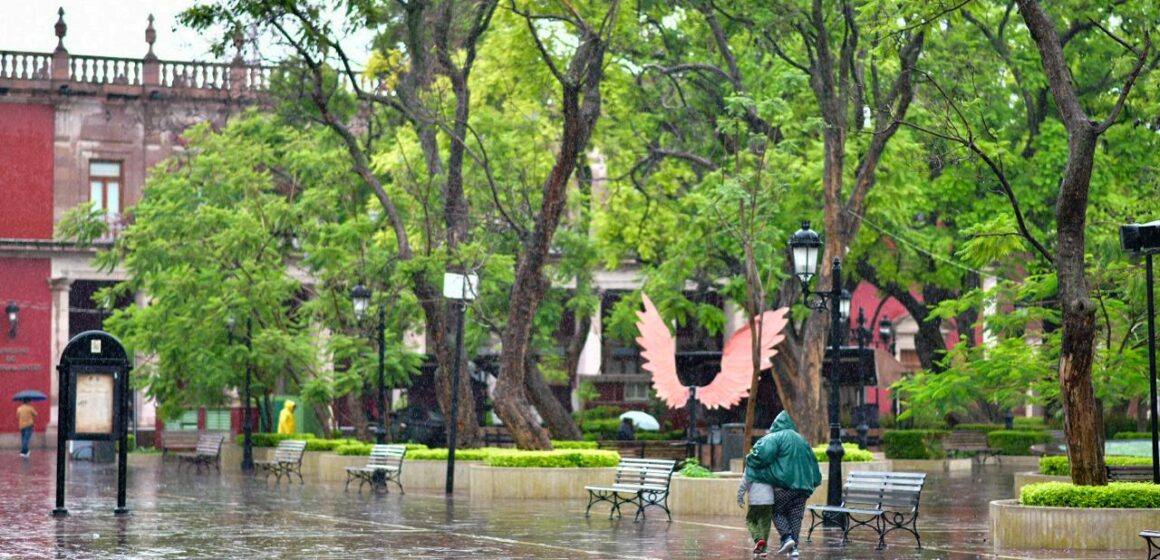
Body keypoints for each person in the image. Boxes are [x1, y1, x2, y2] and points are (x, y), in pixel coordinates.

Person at [744, 411, 822, 557]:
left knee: (775, 510)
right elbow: (814, 467)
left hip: (783, 486)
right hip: (803, 489)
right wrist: (813, 482)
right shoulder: (802, 441)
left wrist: (750, 458)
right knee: (795, 516)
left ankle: (786, 537)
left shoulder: (774, 437)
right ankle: (793, 549)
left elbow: (761, 456)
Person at [737, 474, 775, 557]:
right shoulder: (771, 463)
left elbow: (744, 481)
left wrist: (740, 497)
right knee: (765, 525)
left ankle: (758, 539)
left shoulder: (751, 463)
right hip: (768, 499)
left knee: (750, 521)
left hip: (754, 499)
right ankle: (763, 549)